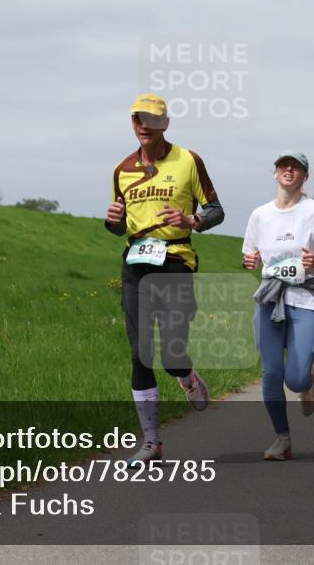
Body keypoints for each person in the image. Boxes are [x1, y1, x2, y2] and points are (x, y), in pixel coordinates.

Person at [105, 93, 224, 467]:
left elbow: (216, 210)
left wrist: (194, 220)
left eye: (152, 120)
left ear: (165, 124)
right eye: (138, 119)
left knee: (172, 354)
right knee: (140, 352)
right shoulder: (121, 169)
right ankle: (152, 443)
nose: (144, 126)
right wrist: (112, 221)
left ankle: (185, 375)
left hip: (176, 261)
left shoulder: (189, 160)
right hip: (136, 265)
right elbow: (118, 224)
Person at [243, 151, 314, 460]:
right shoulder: (260, 214)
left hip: (305, 297)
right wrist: (250, 260)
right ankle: (282, 440)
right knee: (271, 373)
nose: (289, 170)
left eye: (296, 167)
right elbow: (251, 254)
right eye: (284, 165)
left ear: (304, 177)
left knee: (294, 377)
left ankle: (307, 383)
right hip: (270, 297)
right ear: (275, 173)